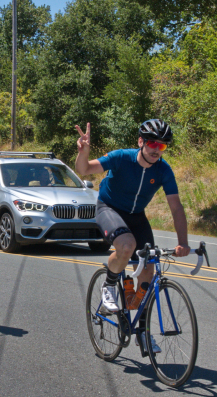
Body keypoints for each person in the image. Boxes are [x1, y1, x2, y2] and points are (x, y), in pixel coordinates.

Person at [75, 119, 189, 351]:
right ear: (140, 142)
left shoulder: (163, 170)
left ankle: (143, 331)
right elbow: (84, 169)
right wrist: (83, 153)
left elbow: (176, 208)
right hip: (109, 209)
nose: (156, 149)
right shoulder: (121, 157)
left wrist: (183, 242)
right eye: (152, 143)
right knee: (127, 245)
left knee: (148, 269)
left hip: (137, 216)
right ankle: (109, 286)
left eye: (162, 146)